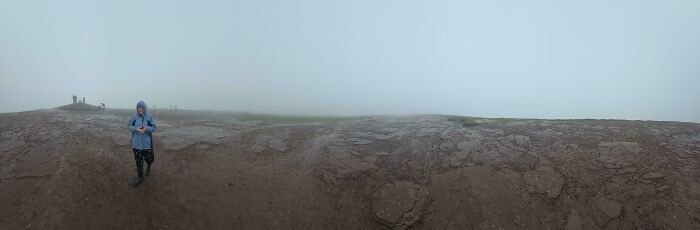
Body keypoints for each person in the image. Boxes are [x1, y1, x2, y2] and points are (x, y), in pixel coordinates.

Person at [128, 101, 157, 187]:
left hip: (146, 143)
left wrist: (146, 129)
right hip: (136, 143)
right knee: (138, 160)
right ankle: (140, 177)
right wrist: (136, 129)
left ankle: (148, 168)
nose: (140, 109)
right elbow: (129, 125)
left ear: (144, 108)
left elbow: (154, 127)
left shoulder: (149, 116)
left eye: (141, 107)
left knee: (148, 158)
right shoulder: (133, 116)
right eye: (138, 107)